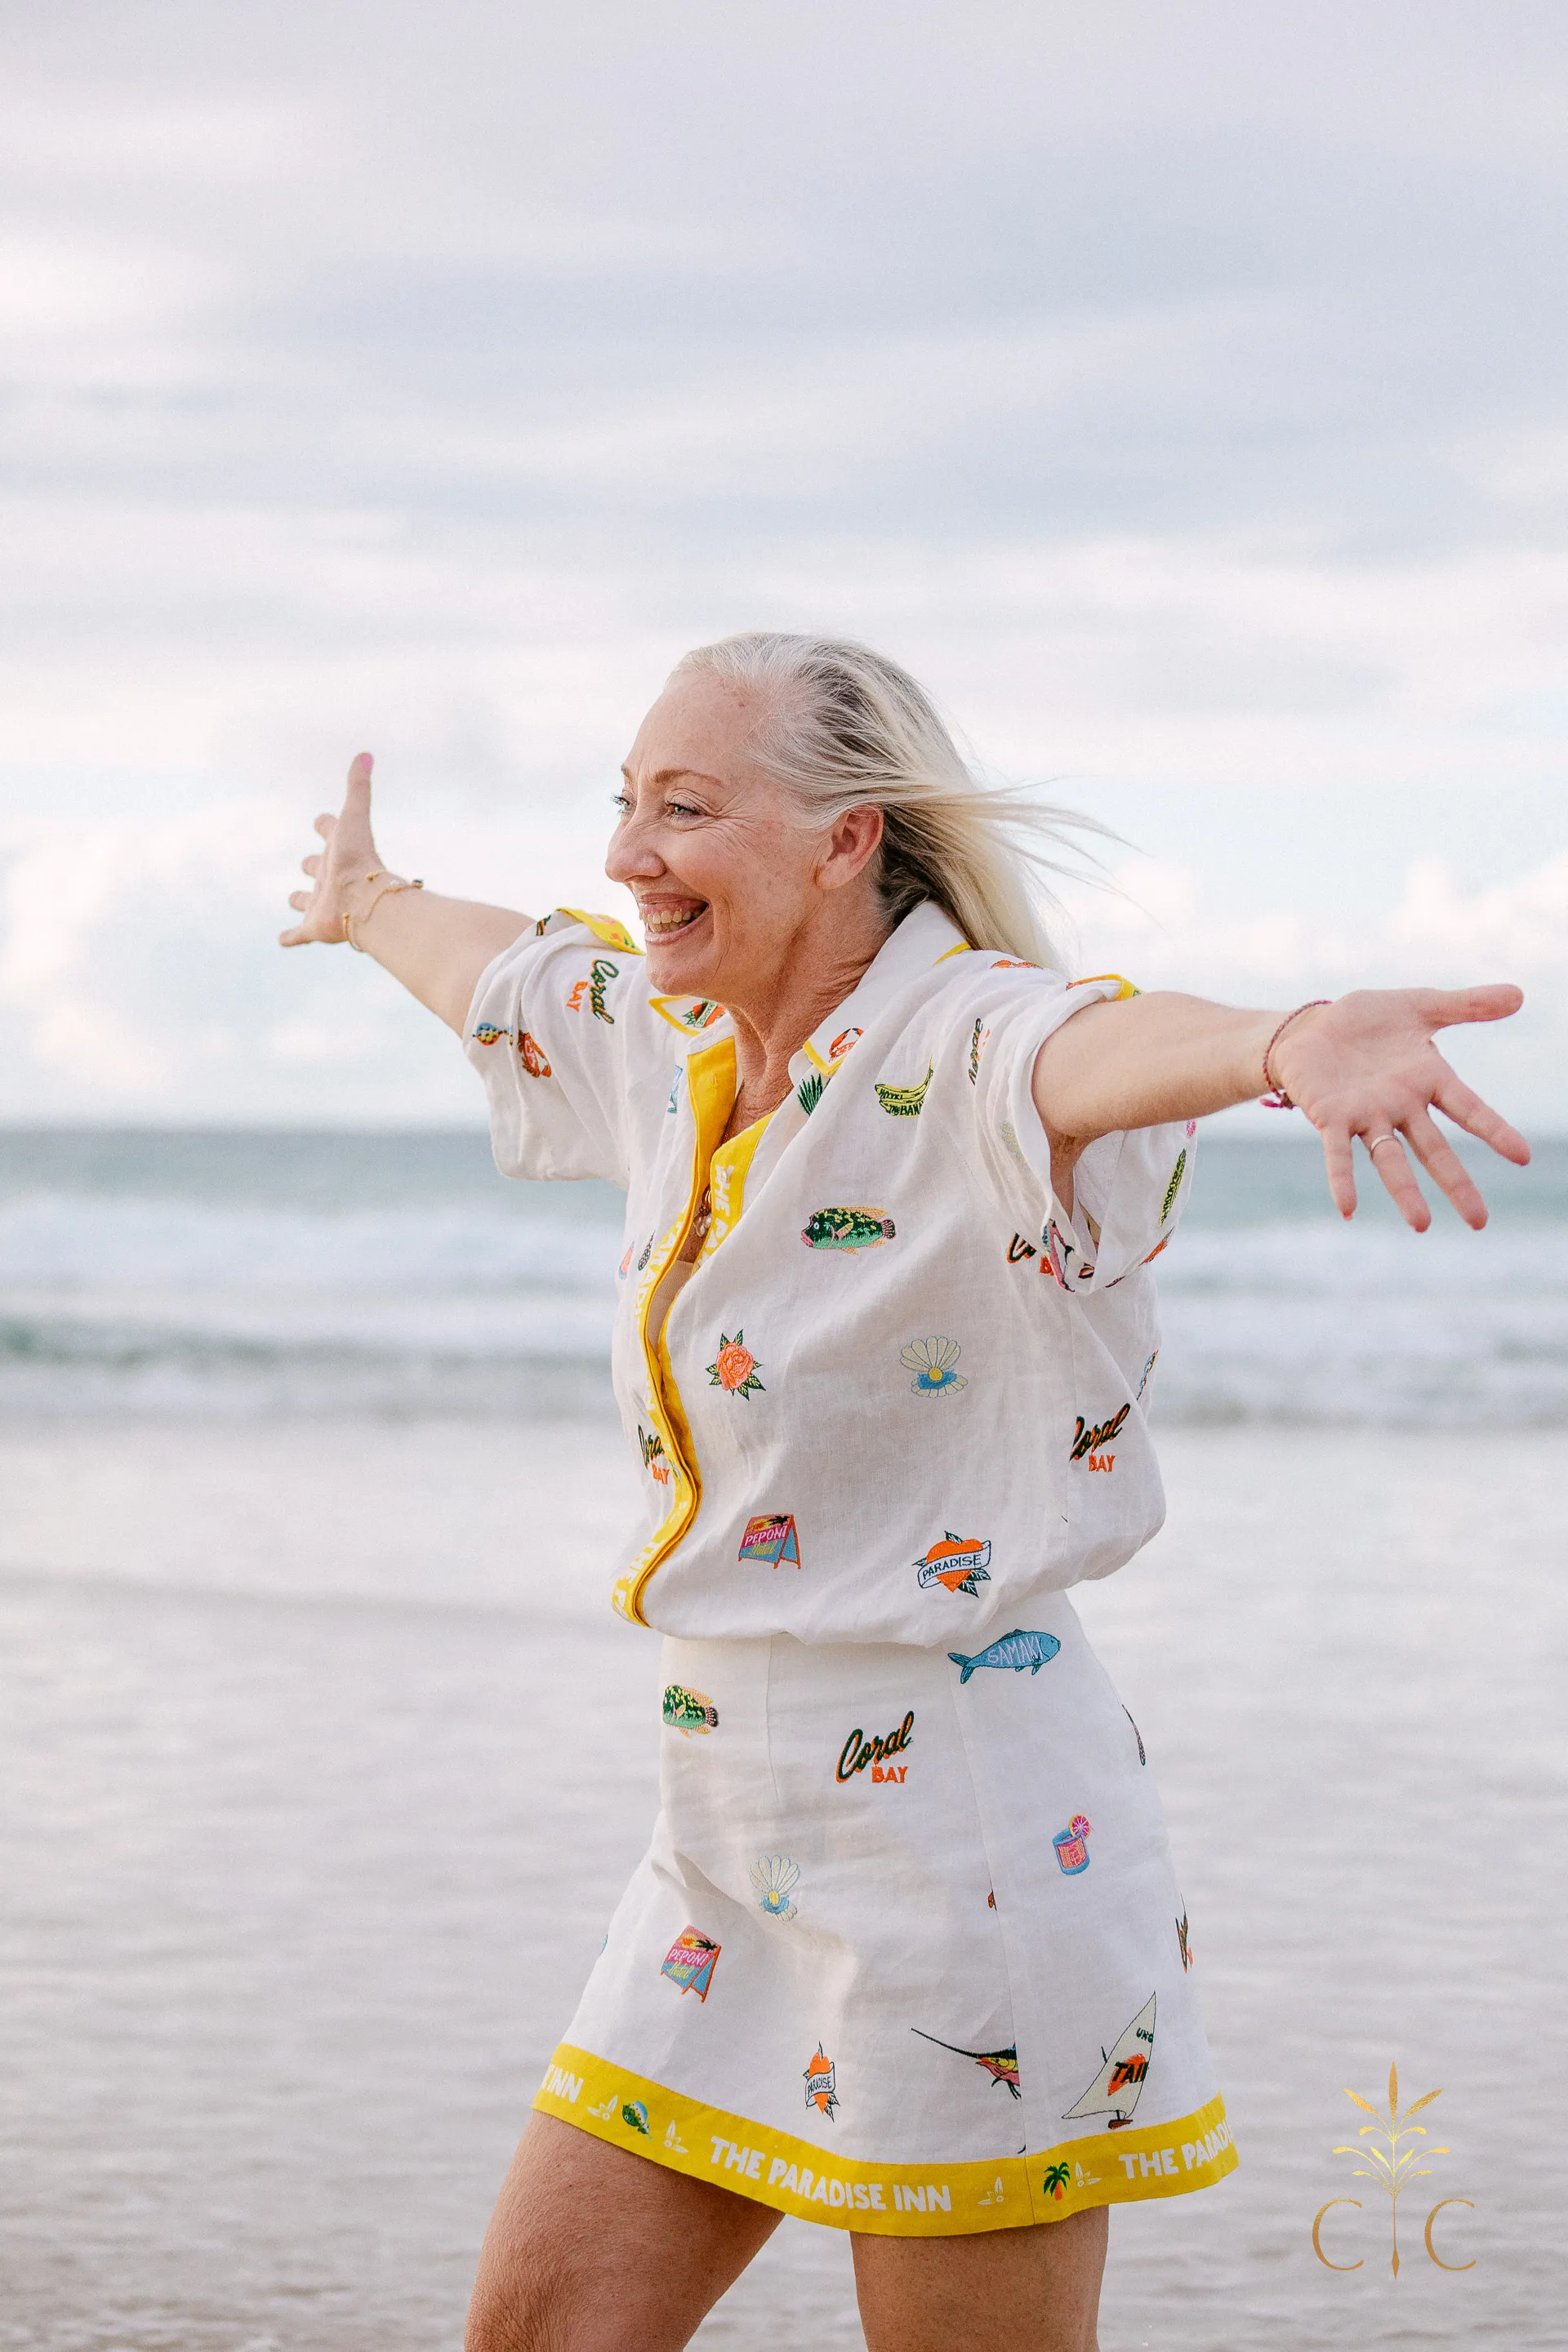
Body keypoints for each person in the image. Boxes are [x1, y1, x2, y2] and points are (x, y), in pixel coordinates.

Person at [281, 633, 1527, 2352]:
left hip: (972, 1855)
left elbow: (1099, 1057)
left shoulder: (976, 1042)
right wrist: (366, 898)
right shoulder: (676, 1041)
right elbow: (515, 971)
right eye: (625, 803)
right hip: (723, 1841)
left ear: (847, 838)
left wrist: (1291, 1039)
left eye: (687, 807)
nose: (630, 851)